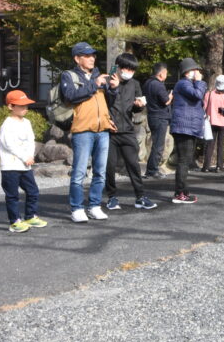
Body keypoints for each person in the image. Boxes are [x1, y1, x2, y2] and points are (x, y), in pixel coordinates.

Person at [61, 42, 115, 223]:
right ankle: (76, 208)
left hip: (103, 130)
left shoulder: (99, 76)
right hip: (83, 130)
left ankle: (94, 205)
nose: (92, 58)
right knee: (79, 172)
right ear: (77, 59)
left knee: (100, 172)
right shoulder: (69, 76)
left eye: (93, 55)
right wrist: (94, 84)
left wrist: (113, 88)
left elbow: (107, 101)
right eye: (87, 55)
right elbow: (70, 96)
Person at [104, 53, 156, 211]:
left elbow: (136, 107)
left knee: (133, 165)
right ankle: (112, 197)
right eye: (126, 68)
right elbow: (103, 104)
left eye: (132, 69)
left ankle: (140, 197)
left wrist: (139, 105)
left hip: (127, 130)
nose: (129, 71)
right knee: (109, 166)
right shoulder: (106, 82)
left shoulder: (135, 84)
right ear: (118, 67)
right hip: (109, 131)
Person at [0, 90, 47, 233]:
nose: (25, 108)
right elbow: (9, 144)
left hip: (25, 166)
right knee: (12, 195)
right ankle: (14, 221)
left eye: (26, 105)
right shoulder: (7, 125)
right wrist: (24, 157)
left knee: (33, 191)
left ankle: (30, 216)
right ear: (10, 106)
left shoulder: (27, 122)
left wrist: (30, 155)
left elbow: (31, 141)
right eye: (21, 106)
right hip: (10, 166)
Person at [170, 58, 207, 204]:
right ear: (187, 72)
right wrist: (200, 81)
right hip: (184, 127)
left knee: (185, 161)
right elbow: (197, 95)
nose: (197, 73)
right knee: (184, 161)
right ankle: (180, 194)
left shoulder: (187, 84)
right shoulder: (183, 83)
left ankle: (183, 191)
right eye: (194, 70)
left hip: (188, 127)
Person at [142, 62, 173, 179]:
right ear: (161, 74)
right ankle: (152, 170)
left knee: (156, 143)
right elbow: (165, 101)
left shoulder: (147, 83)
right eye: (165, 72)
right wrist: (170, 96)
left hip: (151, 115)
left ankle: (151, 169)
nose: (166, 75)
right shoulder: (158, 85)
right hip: (160, 117)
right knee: (159, 145)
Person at [202, 74, 224, 173]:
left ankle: (206, 166)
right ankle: (219, 166)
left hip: (211, 121)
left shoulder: (209, 94)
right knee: (221, 145)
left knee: (209, 144)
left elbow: (204, 108)